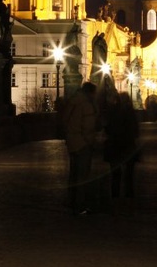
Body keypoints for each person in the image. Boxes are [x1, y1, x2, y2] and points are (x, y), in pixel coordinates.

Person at [63, 81, 98, 215]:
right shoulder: (86, 104)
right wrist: (91, 142)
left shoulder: (73, 101)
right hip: (83, 143)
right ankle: (80, 205)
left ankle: (71, 202)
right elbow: (88, 126)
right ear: (91, 93)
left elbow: (65, 121)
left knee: (73, 173)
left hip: (72, 141)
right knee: (83, 176)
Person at [104, 91, 140, 215]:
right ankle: (129, 199)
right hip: (128, 146)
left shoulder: (113, 111)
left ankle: (115, 199)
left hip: (115, 146)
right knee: (129, 175)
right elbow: (136, 131)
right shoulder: (131, 112)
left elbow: (107, 128)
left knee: (115, 174)